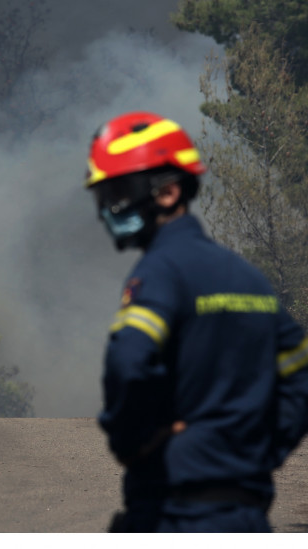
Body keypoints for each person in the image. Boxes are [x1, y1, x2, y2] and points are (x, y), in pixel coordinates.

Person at [85, 111, 308, 532]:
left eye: (117, 192)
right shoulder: (248, 277)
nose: (107, 210)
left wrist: (136, 443)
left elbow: (129, 363)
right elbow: (300, 374)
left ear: (167, 192)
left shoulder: (160, 272)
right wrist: (262, 449)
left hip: (174, 513)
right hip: (247, 515)